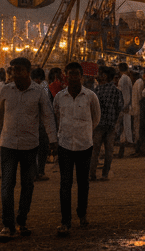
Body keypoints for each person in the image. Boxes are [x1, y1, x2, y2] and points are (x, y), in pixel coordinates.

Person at [0, 56, 57, 241]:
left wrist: (53, 141)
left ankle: (22, 220)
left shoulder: (39, 92)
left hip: (29, 145)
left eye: (19, 70)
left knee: (28, 185)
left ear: (27, 71)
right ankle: (8, 225)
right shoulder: (5, 90)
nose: (15, 74)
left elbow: (47, 117)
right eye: (13, 70)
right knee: (7, 185)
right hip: (7, 144)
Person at [53, 62, 99, 237]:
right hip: (65, 144)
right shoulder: (59, 97)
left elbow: (96, 118)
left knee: (83, 183)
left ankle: (82, 214)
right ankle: (66, 221)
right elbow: (57, 114)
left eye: (76, 74)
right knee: (65, 184)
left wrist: (85, 132)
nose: (73, 77)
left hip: (84, 145)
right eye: (70, 74)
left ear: (82, 76)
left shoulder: (90, 96)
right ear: (65, 76)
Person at [91, 66, 122, 181]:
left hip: (98, 125)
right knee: (109, 152)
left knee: (95, 151)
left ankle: (92, 174)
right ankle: (105, 174)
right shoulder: (116, 90)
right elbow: (119, 107)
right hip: (110, 125)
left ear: (104, 76)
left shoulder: (96, 90)